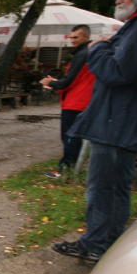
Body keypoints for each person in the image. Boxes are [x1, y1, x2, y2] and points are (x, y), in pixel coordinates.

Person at [52, 0, 137, 263]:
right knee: (116, 186)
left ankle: (95, 244)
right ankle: (107, 241)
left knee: (103, 186)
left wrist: (99, 48)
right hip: (122, 121)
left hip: (116, 122)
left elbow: (117, 72)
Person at [39, 25, 95, 177]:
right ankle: (72, 166)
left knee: (69, 136)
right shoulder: (90, 53)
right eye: (71, 37)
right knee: (74, 136)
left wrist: (50, 82)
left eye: (76, 37)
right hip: (83, 100)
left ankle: (65, 168)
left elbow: (68, 81)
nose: (72, 40)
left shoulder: (82, 54)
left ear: (86, 37)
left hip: (75, 102)